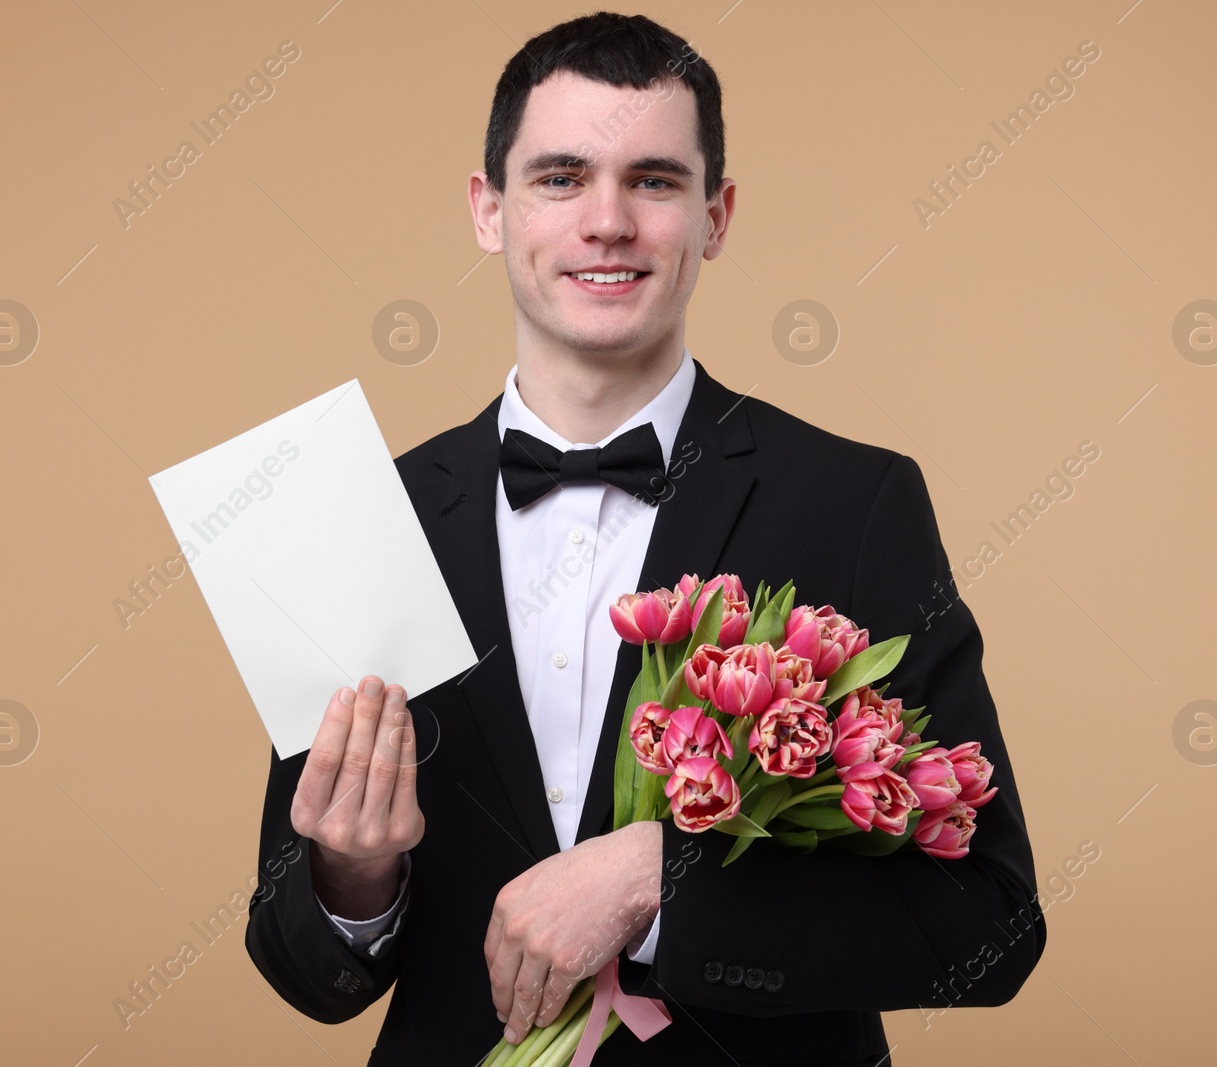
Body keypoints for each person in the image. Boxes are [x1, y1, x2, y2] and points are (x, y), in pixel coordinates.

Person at [244, 12, 1044, 1065]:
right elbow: (306, 967)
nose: (607, 221)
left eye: (655, 181)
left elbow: (986, 922)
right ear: (488, 210)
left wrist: (653, 882)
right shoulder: (365, 519)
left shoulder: (855, 501)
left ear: (715, 216)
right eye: (561, 177)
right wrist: (352, 882)